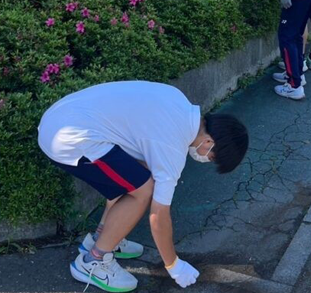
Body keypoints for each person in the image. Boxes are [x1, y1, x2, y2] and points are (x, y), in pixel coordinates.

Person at [38, 81, 249, 292]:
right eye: (211, 157)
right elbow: (158, 216)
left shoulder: (178, 101)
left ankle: (103, 237)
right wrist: (173, 265)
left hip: (60, 117)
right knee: (143, 191)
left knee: (136, 176)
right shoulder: (172, 147)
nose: (205, 160)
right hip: (69, 140)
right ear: (209, 142)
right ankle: (94, 260)